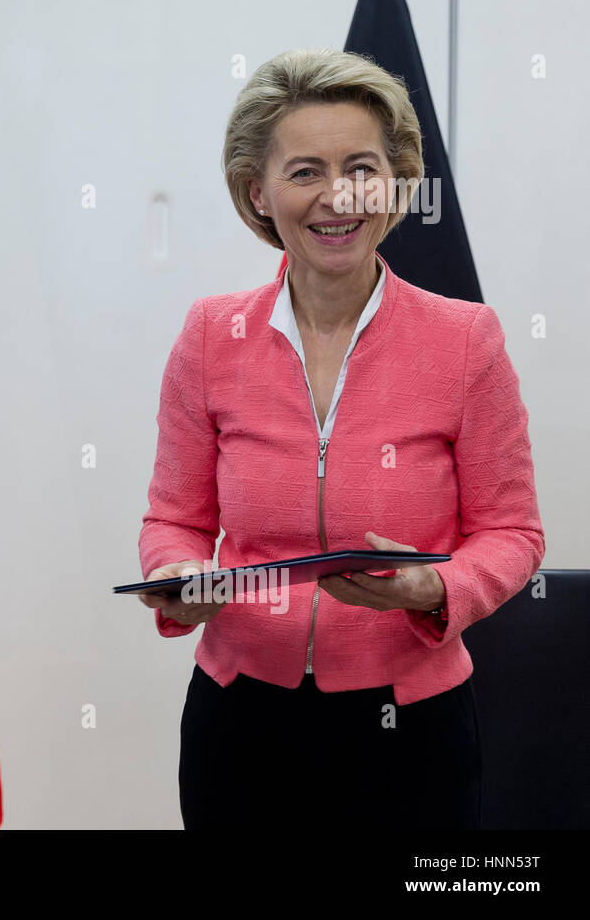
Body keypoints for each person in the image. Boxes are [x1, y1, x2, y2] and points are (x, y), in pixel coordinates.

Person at [136, 48, 543, 831]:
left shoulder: (466, 340)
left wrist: (437, 589)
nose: (338, 196)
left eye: (361, 167)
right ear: (258, 191)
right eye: (304, 171)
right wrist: (178, 569)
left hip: (411, 731)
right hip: (241, 724)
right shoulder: (209, 336)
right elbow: (175, 519)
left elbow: (513, 531)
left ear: (394, 184)